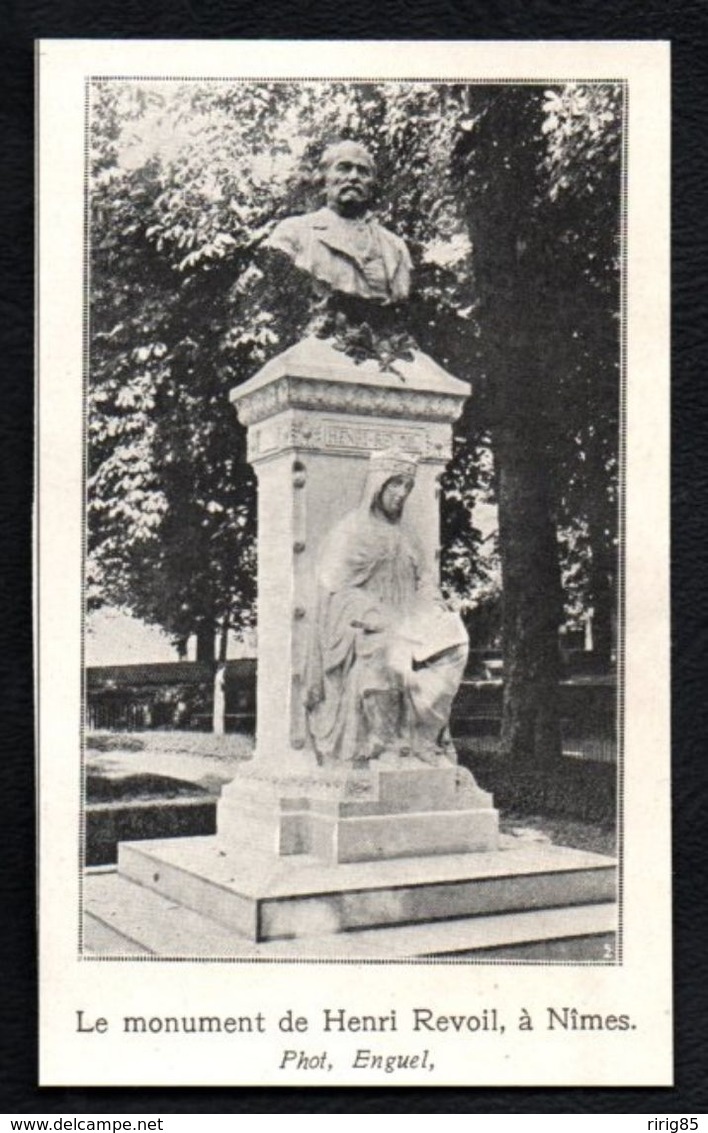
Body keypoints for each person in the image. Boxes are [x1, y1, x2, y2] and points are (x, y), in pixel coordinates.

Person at [304, 449, 468, 768]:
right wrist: (372, 615)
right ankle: (386, 742)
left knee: (455, 642)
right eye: (395, 485)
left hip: (410, 621)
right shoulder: (352, 532)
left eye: (407, 487)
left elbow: (423, 582)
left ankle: (424, 736)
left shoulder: (405, 537)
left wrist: (433, 605)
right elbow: (334, 592)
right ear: (378, 486)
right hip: (369, 625)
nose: (401, 494)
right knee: (390, 648)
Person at [265, 140, 412, 304]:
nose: (354, 177)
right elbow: (273, 298)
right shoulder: (293, 232)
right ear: (324, 179)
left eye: (363, 172)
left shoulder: (394, 248)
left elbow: (402, 309)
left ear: (372, 186)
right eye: (344, 168)